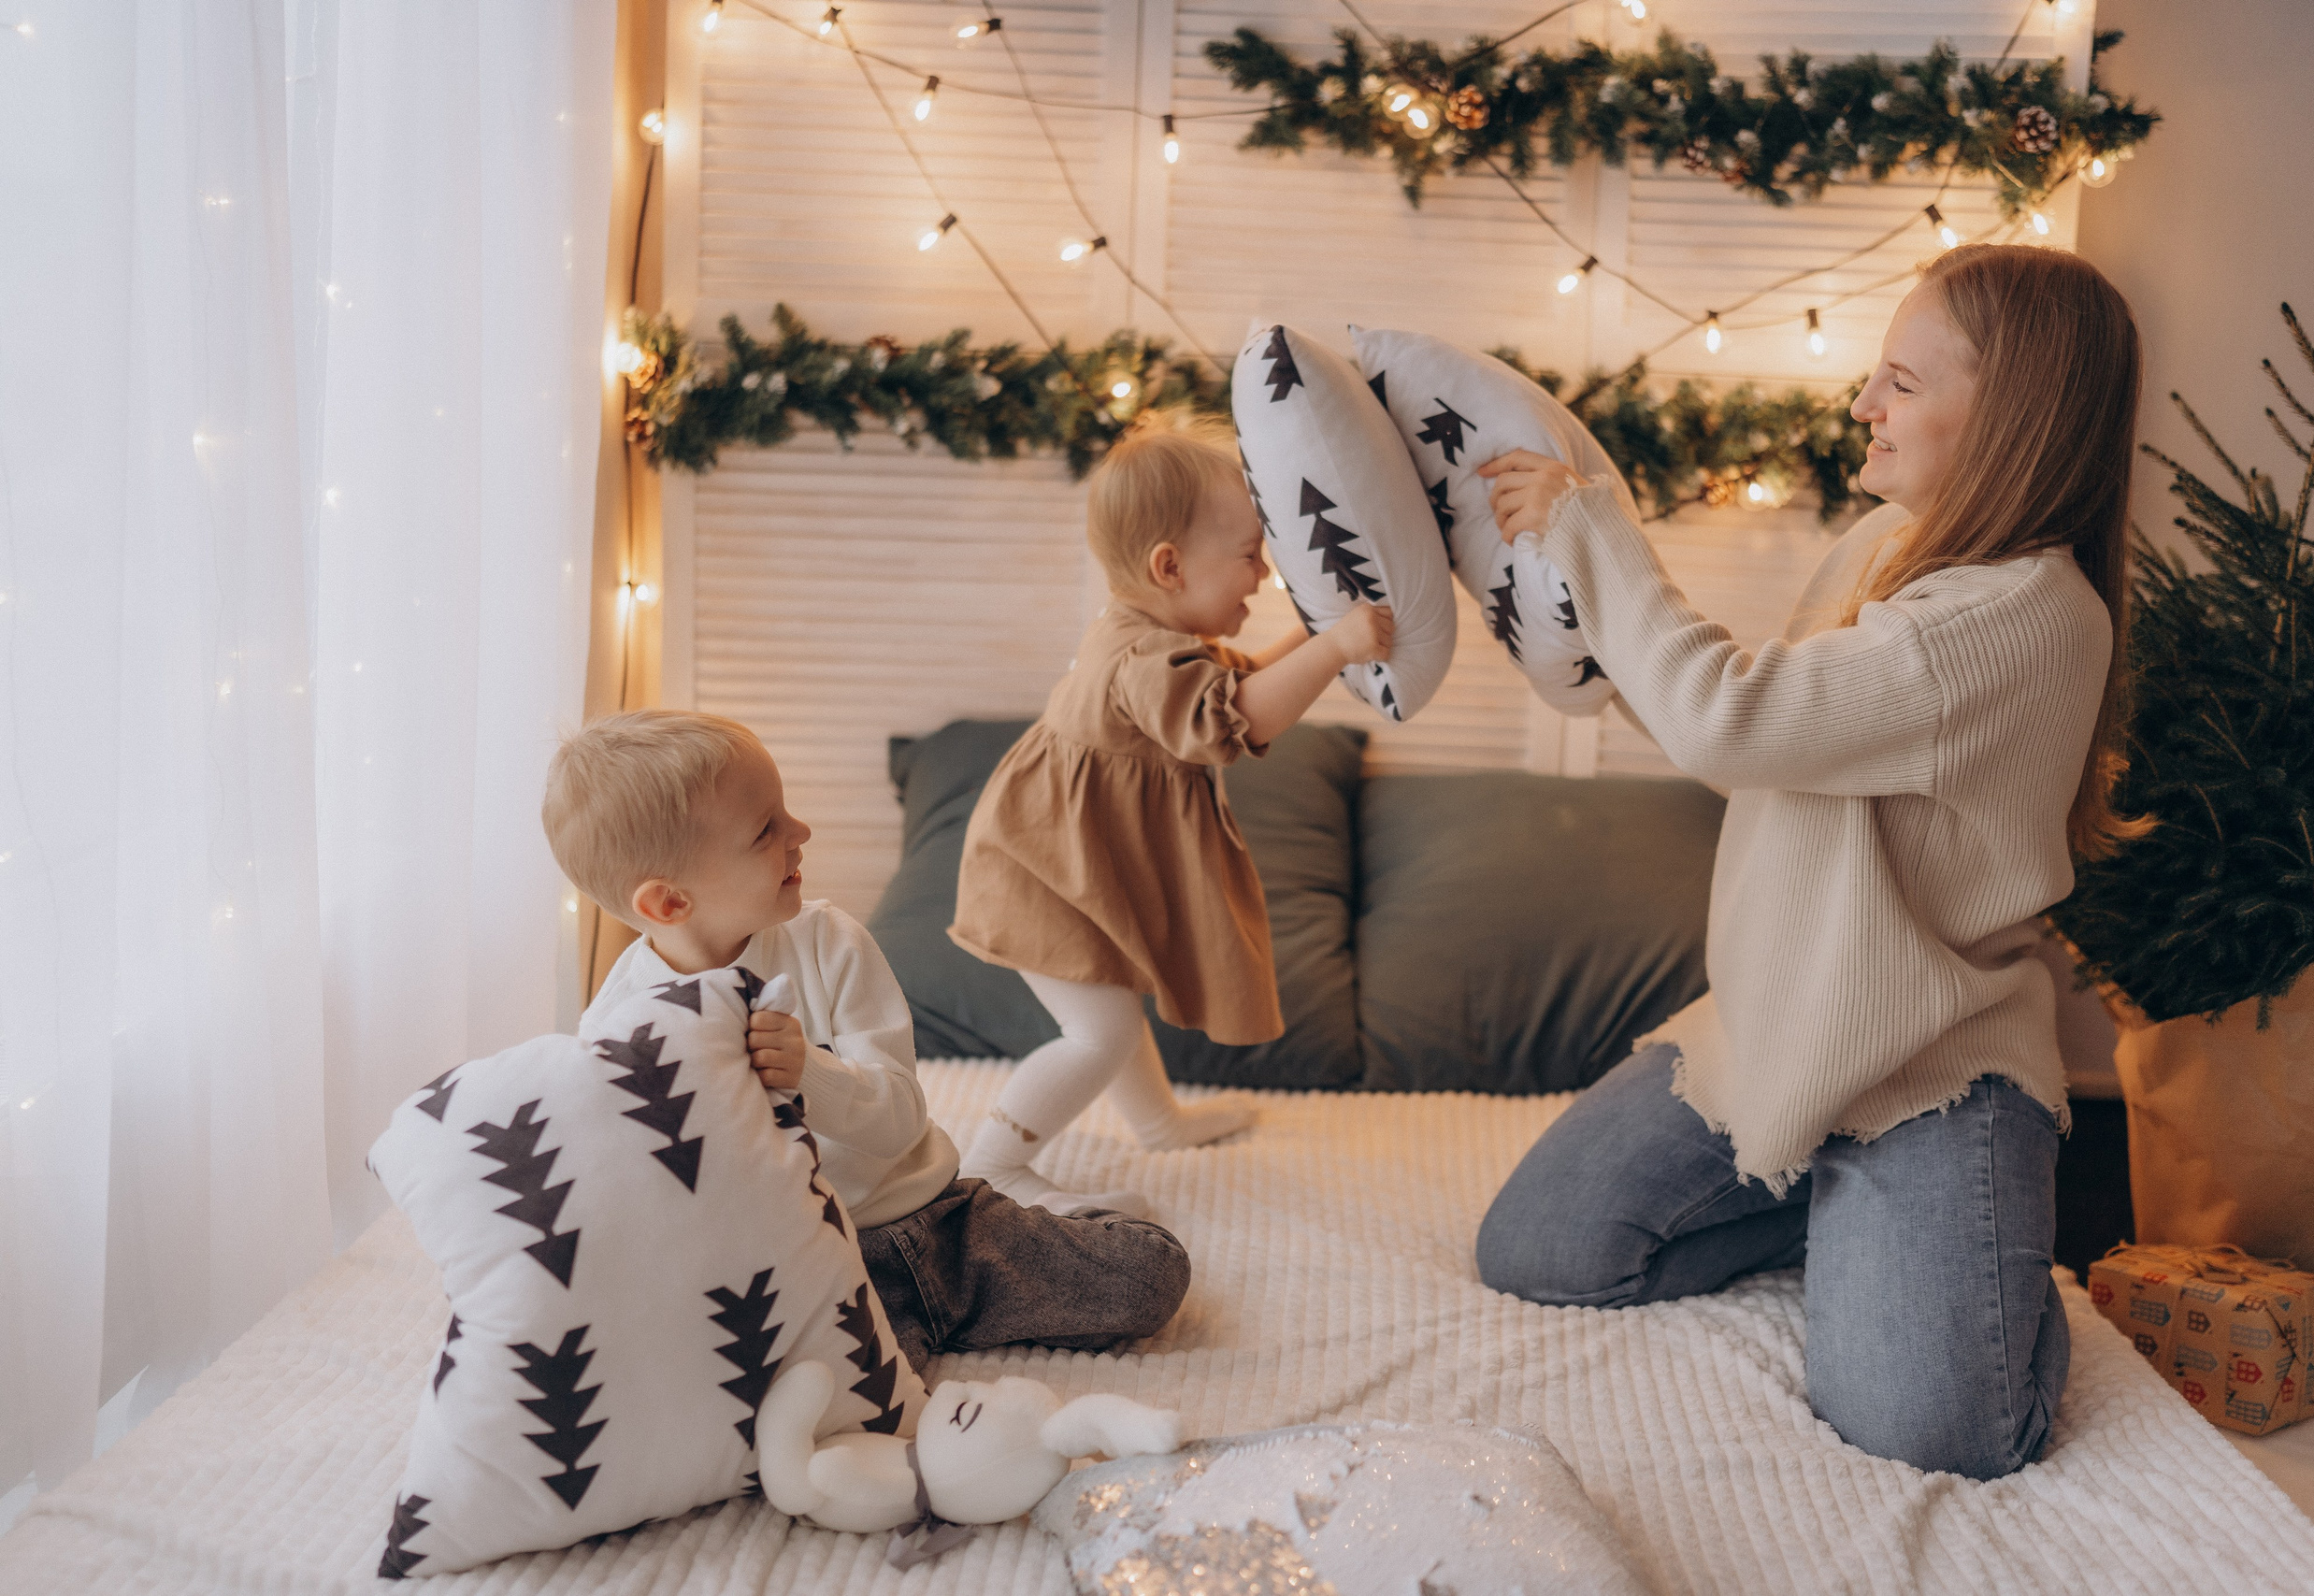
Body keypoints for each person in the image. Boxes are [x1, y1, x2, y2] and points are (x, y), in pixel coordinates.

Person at [1470, 243, 2149, 1479]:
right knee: (1542, 1247)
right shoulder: (1887, 545)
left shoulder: (2028, 612)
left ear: (2008, 413)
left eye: (1897, 380)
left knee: (1934, 1429)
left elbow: (1732, 712)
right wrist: (1594, 651)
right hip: (1791, 1026)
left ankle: (1949, 1227)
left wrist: (1595, 526)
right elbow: (1761, 740)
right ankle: (1816, 1197)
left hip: (1929, 1063)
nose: (1860, 405)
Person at [543, 709, 1190, 1374]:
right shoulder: (620, 1025)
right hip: (811, 1271)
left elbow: (900, 1117)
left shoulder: (828, 942)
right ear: (669, 903)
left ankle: (1052, 1214)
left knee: (1151, 1275)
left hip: (938, 1224)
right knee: (806, 1399)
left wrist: (809, 1073)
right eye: (767, 829)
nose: (801, 832)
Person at [948, 411, 1393, 1216]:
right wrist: (1337, 650)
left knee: (1112, 1004)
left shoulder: (1157, 635)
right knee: (1100, 1032)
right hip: (1042, 873)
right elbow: (1243, 720)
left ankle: (1157, 1122)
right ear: (1170, 565)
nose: (1262, 575)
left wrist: (1314, 629)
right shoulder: (1144, 659)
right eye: (1250, 556)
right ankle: (992, 1167)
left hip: (1067, 863)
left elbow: (1242, 676)